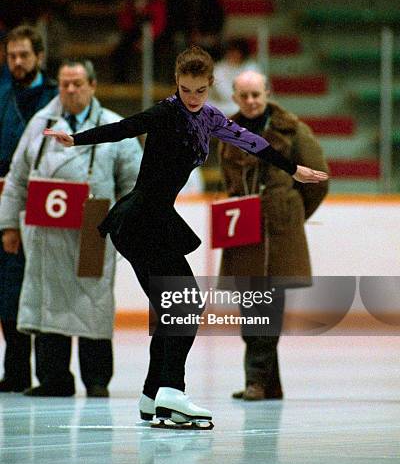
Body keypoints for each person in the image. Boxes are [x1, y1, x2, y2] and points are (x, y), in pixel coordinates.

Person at [43, 46, 328, 426]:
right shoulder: (166, 112)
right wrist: (76, 139)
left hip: (153, 220)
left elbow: (253, 143)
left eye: (199, 91)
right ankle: (172, 393)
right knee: (185, 304)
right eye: (185, 90)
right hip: (141, 220)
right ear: (177, 84)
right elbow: (125, 127)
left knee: (172, 308)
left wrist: (293, 169)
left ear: (210, 86)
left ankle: (152, 395)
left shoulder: (210, 118)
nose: (192, 98)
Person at [0, 60, 142, 397]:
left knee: (92, 302)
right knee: (49, 302)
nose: (70, 90)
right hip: (46, 229)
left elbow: (135, 183)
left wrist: (124, 223)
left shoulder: (113, 126)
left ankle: (96, 380)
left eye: (77, 84)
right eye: (64, 84)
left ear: (92, 85)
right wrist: (8, 225)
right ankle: (54, 379)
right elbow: (18, 178)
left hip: (93, 226)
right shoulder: (40, 124)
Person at [218, 70, 329, 401]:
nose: (251, 102)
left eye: (257, 95)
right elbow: (230, 181)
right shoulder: (227, 132)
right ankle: (270, 384)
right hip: (244, 230)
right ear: (235, 98)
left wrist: (290, 213)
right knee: (253, 307)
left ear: (267, 93)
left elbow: (319, 181)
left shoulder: (293, 131)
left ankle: (255, 380)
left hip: (279, 235)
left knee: (266, 310)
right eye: (244, 96)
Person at [0, 25, 58, 393]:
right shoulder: (2, 95)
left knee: (44, 292)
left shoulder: (56, 98)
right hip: (6, 206)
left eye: (24, 55)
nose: (18, 62)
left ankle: (52, 374)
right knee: (8, 291)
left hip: (47, 207)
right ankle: (16, 371)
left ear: (39, 56)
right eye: (12, 56)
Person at [210, 38, 261, 116]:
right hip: (223, 104)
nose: (233, 55)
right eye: (231, 52)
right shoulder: (219, 69)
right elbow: (224, 93)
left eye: (236, 52)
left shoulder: (252, 67)